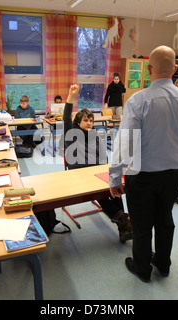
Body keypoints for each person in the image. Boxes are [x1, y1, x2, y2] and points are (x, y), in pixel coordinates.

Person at [109, 46, 178, 282]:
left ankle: (142, 269)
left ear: (149, 69)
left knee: (141, 224)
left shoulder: (138, 100)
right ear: (176, 69)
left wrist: (114, 178)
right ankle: (163, 264)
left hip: (142, 174)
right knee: (164, 220)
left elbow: (125, 144)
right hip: (173, 174)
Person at [63, 84, 132, 242]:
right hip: (79, 175)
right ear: (78, 122)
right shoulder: (71, 134)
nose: (89, 123)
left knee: (115, 188)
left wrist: (106, 172)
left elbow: (103, 158)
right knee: (101, 194)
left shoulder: (95, 136)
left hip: (96, 172)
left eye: (91, 121)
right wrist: (71, 95)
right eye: (86, 120)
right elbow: (66, 117)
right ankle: (124, 223)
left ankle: (123, 226)